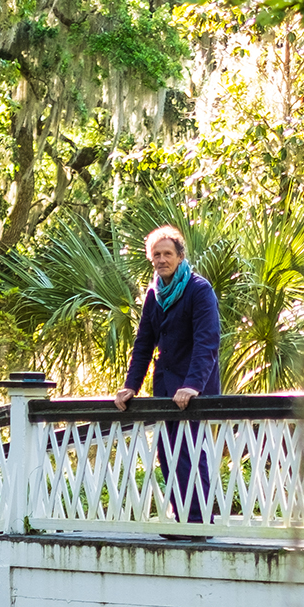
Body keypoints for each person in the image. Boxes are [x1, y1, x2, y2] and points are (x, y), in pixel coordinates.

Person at [116, 225, 221, 526]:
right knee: (168, 452)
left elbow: (207, 341)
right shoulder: (154, 295)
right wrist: (130, 386)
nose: (162, 259)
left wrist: (192, 385)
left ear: (180, 256)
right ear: (152, 259)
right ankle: (182, 518)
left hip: (194, 387)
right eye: (156, 255)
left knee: (189, 449)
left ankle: (199, 522)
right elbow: (144, 343)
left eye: (168, 254)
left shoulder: (199, 290)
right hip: (165, 387)